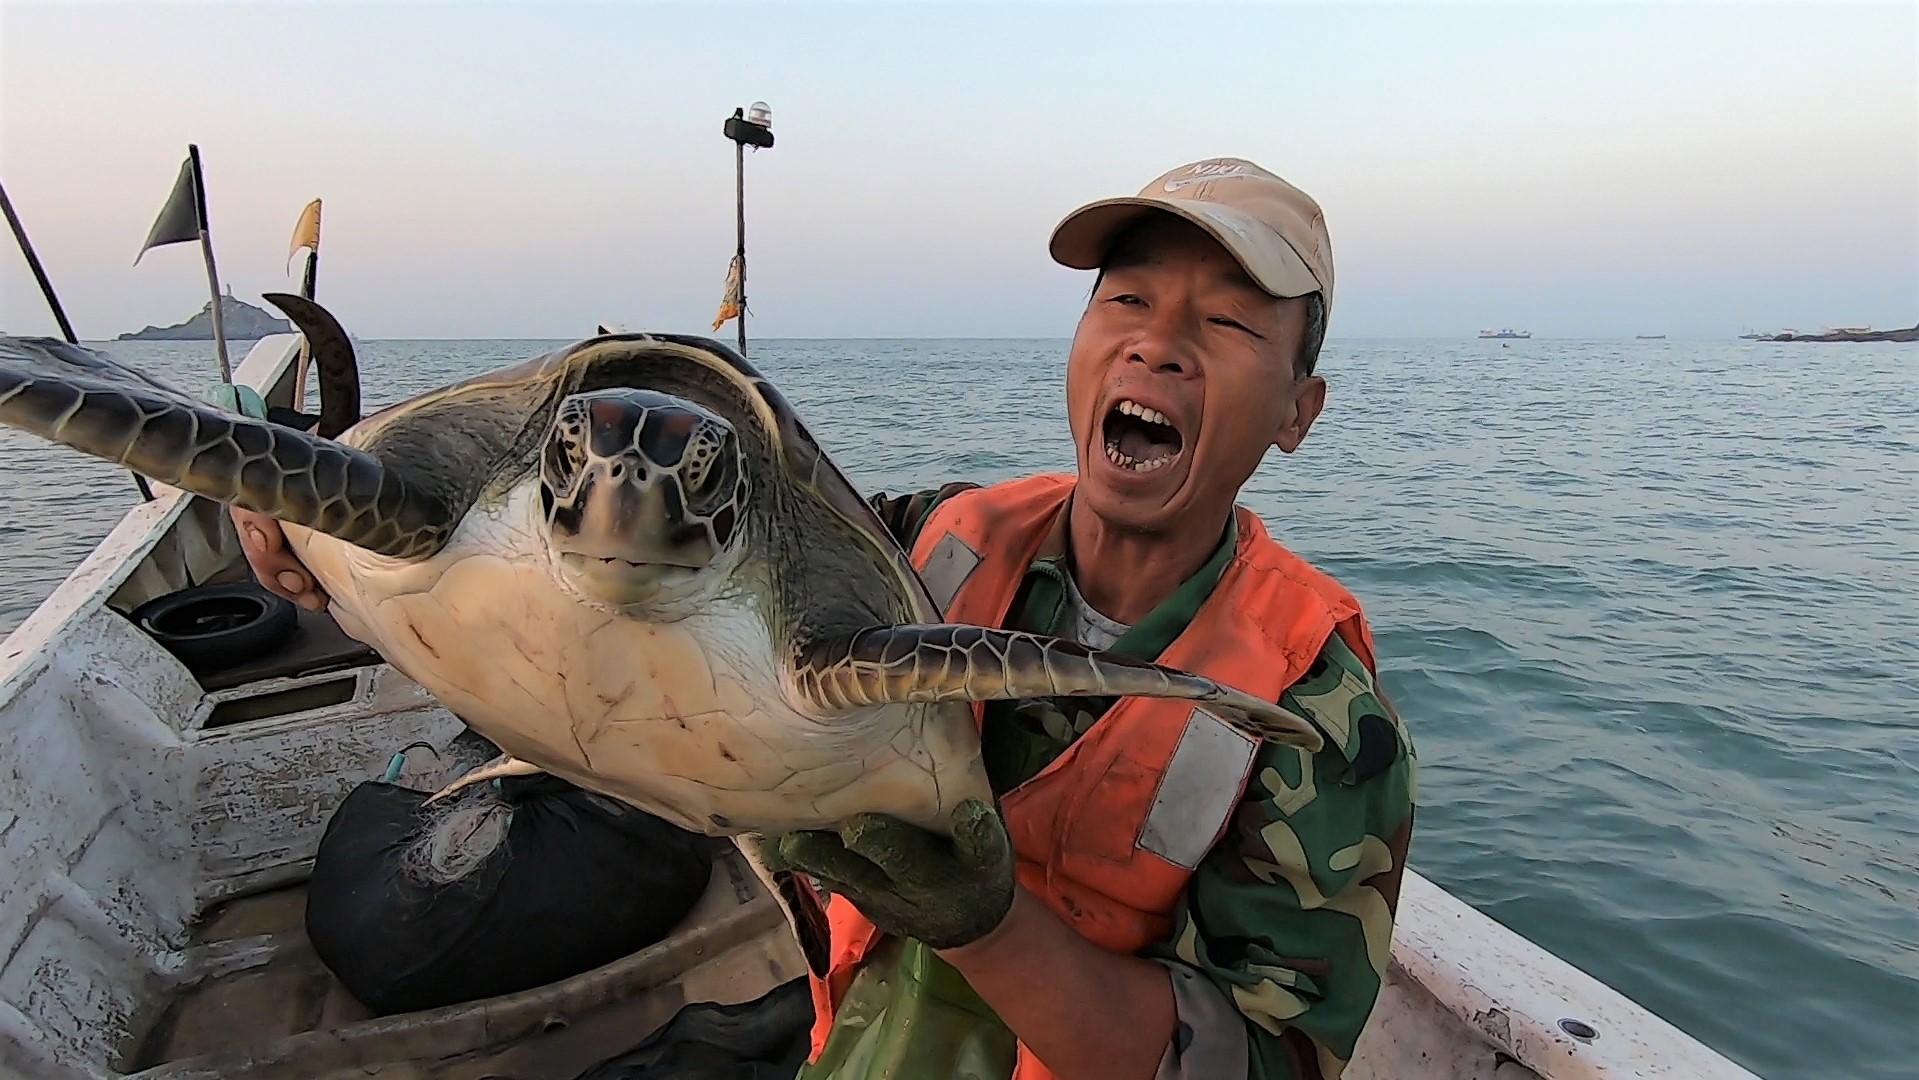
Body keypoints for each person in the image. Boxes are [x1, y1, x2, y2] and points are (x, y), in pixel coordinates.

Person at [232, 157, 1416, 1080]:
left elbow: (1273, 1064)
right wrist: (311, 534)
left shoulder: (1315, 713)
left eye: (1225, 323)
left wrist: (985, 926)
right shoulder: (936, 536)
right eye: (1129, 298)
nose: (1158, 339)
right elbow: (627, 592)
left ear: (1300, 412)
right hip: (847, 1033)